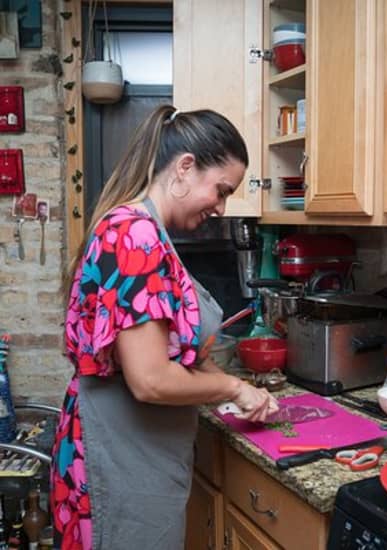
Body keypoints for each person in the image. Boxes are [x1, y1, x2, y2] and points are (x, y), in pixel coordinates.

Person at [50, 105, 279, 549]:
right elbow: (151, 379)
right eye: (221, 190)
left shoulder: (144, 231)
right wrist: (233, 389)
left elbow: (177, 352)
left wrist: (236, 386)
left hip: (135, 450)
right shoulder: (135, 234)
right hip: (121, 456)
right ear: (186, 167)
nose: (222, 207)